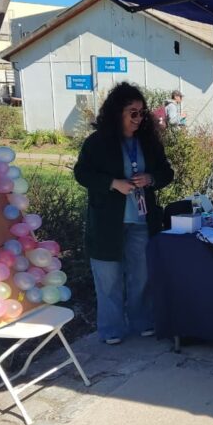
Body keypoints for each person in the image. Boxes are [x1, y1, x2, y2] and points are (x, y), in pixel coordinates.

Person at [73, 82, 175, 345]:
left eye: (142, 113)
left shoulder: (148, 142)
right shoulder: (97, 143)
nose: (139, 119)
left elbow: (167, 172)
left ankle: (142, 320)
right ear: (117, 113)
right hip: (108, 222)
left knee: (141, 275)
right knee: (108, 278)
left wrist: (151, 178)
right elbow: (82, 173)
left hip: (141, 220)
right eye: (133, 113)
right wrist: (112, 183)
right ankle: (112, 328)